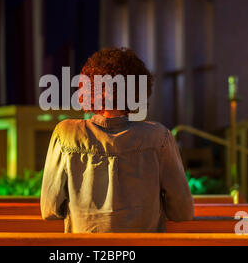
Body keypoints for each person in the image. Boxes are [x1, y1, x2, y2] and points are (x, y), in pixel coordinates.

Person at [40, 47, 194, 233]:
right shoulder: (159, 137)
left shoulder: (65, 134)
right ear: (137, 90)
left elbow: (49, 209)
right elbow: (182, 211)